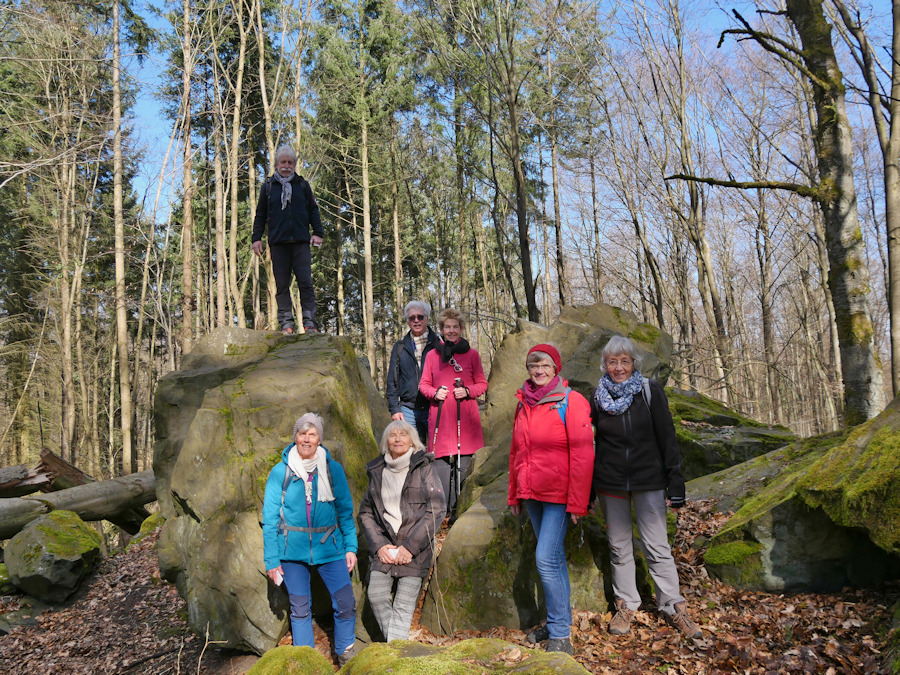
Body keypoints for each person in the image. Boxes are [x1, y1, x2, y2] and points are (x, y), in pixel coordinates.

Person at [590, 336, 702, 639]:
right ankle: (626, 605)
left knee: (657, 547)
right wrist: (588, 489)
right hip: (611, 482)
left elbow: (667, 436)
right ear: (605, 364)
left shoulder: (649, 391)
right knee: (619, 547)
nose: (618, 367)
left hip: (649, 481)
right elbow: (591, 443)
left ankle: (673, 606)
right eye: (612, 362)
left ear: (633, 363)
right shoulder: (597, 396)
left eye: (624, 361)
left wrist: (675, 480)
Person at [507, 344, 594, 655]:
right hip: (531, 494)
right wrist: (514, 493)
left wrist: (578, 503)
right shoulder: (523, 404)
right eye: (533, 365)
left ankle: (560, 635)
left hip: (558, 496)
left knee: (545, 559)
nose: (539, 370)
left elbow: (584, 455)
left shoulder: (572, 402)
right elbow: (516, 451)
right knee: (553, 560)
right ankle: (557, 622)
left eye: (544, 365)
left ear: (556, 367)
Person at [261, 413, 360, 665]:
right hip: (291, 551)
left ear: (319, 439)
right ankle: (307, 662)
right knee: (300, 608)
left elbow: (346, 511)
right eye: (302, 433)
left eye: (312, 433)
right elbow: (270, 519)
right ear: (295, 437)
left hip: (330, 547)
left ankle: (346, 652)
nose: (307, 439)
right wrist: (272, 560)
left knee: (346, 602)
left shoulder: (331, 468)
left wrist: (350, 547)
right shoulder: (280, 472)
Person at [358, 420, 446, 642]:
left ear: (412, 441)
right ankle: (399, 649)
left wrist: (410, 546)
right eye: (392, 435)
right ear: (386, 442)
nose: (397, 439)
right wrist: (379, 546)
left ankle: (394, 656)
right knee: (376, 596)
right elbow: (365, 514)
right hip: (386, 547)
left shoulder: (424, 467)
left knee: (404, 605)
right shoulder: (376, 471)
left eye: (403, 435)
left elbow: (436, 509)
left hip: (416, 549)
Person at [418, 308, 488, 514]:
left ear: (461, 329)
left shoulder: (472, 354)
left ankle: (463, 511)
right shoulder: (431, 355)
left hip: (465, 418)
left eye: (455, 327)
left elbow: (482, 384)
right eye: (447, 327)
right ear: (441, 329)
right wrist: (434, 393)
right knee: (440, 466)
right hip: (440, 417)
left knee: (465, 465)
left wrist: (467, 390)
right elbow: (423, 385)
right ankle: (443, 512)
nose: (451, 331)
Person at [252, 145, 323, 334]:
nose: (286, 165)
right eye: (282, 162)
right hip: (278, 244)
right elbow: (260, 215)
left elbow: (313, 210)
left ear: (294, 165)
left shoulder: (302, 185)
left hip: (301, 243)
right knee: (282, 286)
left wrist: (318, 232)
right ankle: (286, 324)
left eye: (290, 162)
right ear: (276, 165)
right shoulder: (268, 187)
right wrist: (256, 238)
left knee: (305, 283)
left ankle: (309, 324)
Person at [385, 301, 439, 444]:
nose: (416, 320)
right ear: (407, 321)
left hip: (434, 406)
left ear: (427, 318)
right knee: (411, 452)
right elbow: (391, 380)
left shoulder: (439, 343)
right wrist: (394, 408)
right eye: (411, 318)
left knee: (438, 450)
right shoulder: (400, 346)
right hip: (408, 409)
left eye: (420, 317)